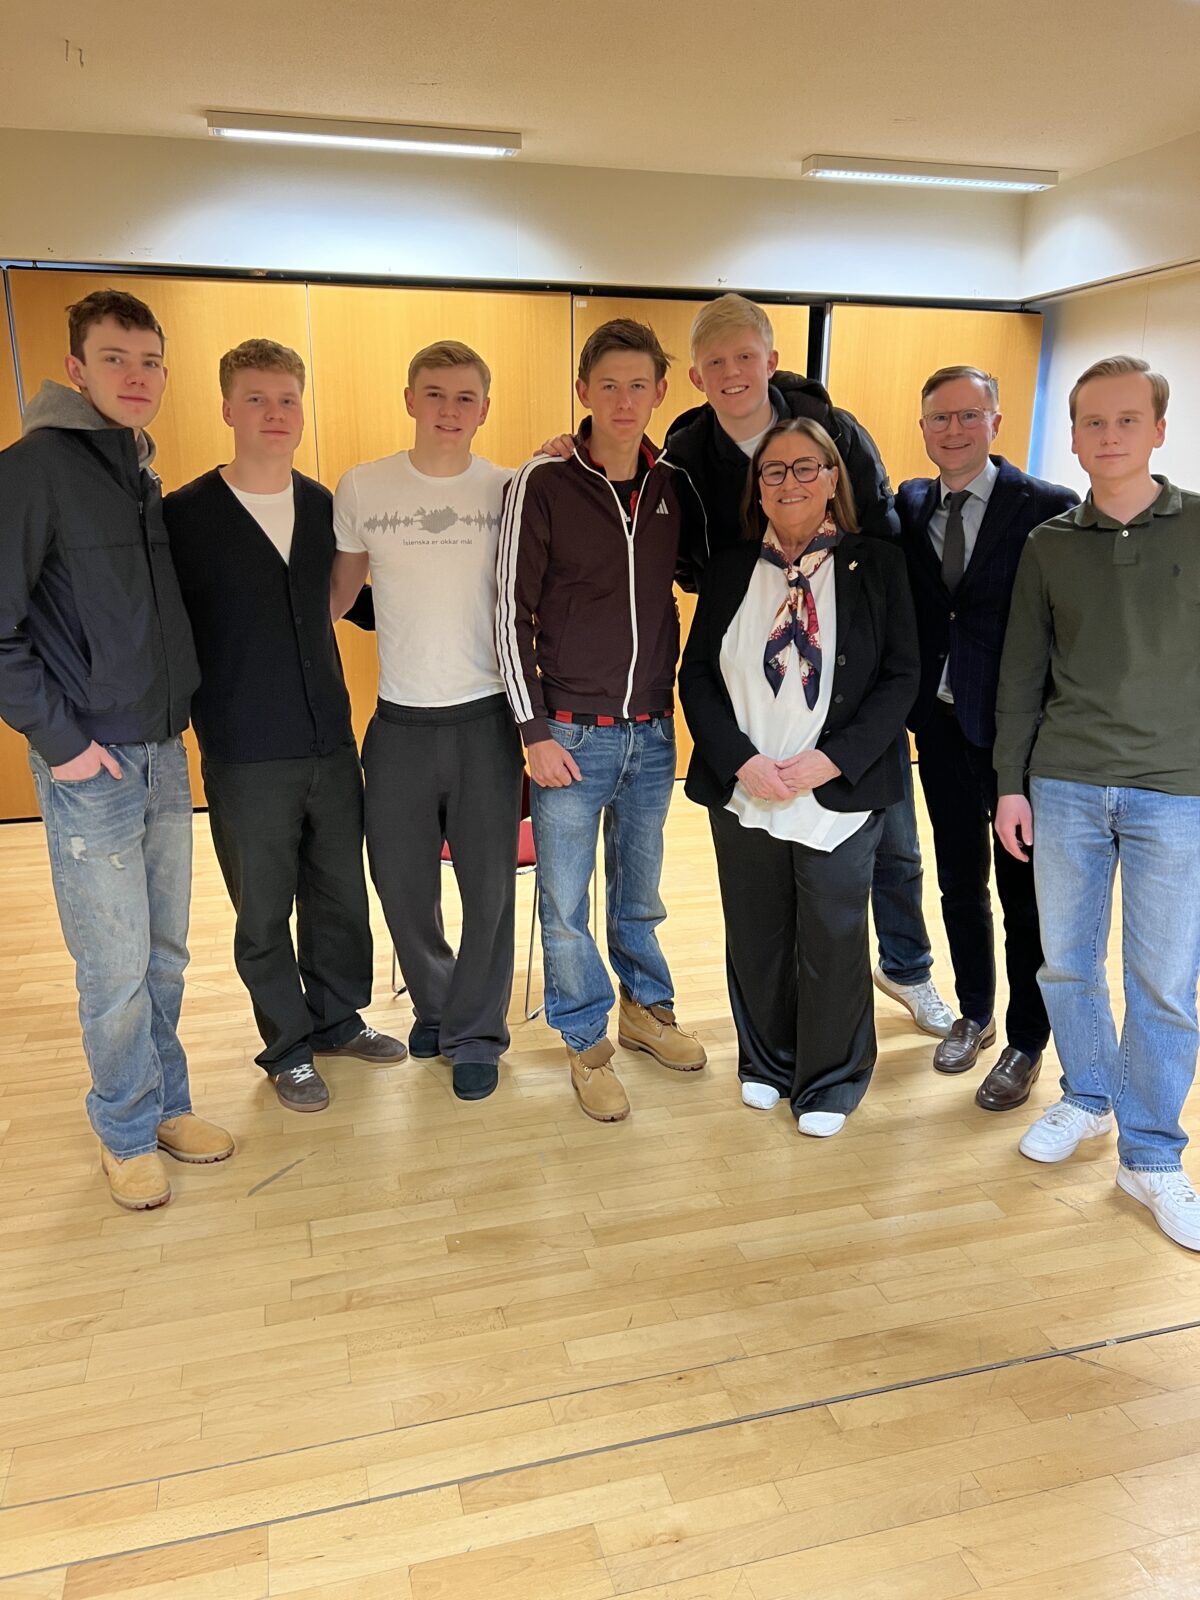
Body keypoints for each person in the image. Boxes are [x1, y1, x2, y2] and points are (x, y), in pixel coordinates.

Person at [0, 288, 232, 1210]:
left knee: (165, 954)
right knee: (115, 966)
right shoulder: (34, 470)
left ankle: (166, 1104)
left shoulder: (136, 471)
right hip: (90, 763)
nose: (136, 378)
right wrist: (61, 744)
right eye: (114, 359)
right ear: (76, 369)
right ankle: (126, 1130)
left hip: (161, 749)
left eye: (149, 362)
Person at [665, 295, 951, 1039]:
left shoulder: (834, 428)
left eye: (745, 356)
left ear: (771, 359)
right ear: (696, 376)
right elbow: (685, 551)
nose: (732, 372)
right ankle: (780, 1019)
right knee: (770, 869)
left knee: (890, 841)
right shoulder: (687, 450)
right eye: (716, 362)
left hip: (849, 643)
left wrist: (856, 606)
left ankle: (909, 968)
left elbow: (881, 528)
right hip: (756, 634)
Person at [164, 339, 404, 1114]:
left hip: (329, 738)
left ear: (303, 410)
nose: (275, 413)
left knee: (339, 895)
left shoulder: (325, 507)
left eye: (288, 399)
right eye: (257, 399)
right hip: (245, 750)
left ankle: (338, 1020)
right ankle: (288, 1047)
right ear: (227, 409)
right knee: (264, 910)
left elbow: (351, 603)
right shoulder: (184, 517)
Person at [995, 355, 1200, 1251]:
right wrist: (1010, 784)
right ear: (1073, 436)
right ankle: (1087, 1098)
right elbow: (1021, 675)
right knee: (1067, 964)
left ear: (1158, 429)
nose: (1108, 436)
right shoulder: (1050, 544)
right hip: (1067, 783)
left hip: (1177, 790)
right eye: (1092, 422)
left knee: (1165, 983)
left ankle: (1150, 1155)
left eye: (1126, 420)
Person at [679, 418, 918, 1136]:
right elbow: (697, 677)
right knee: (757, 934)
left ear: (832, 477)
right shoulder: (729, 569)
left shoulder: (877, 565)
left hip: (836, 789)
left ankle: (831, 1079)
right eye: (774, 470)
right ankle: (766, 1062)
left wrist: (832, 759)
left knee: (833, 937)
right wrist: (742, 760)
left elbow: (901, 677)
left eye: (806, 467)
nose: (790, 482)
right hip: (747, 788)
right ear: (758, 487)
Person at [497, 317, 707, 1123]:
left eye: (638, 386)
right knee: (565, 904)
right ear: (584, 391)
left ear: (660, 392)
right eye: (608, 385)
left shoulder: (673, 487)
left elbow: (701, 579)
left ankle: (646, 1011)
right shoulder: (544, 482)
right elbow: (509, 613)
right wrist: (533, 731)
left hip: (652, 732)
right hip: (569, 736)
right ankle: (585, 1041)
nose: (624, 401)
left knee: (640, 894)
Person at [331, 341, 522, 1102]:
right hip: (399, 722)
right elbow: (337, 598)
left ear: (485, 409)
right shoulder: (363, 485)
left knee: (489, 890)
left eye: (465, 397)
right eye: (435, 394)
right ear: (409, 399)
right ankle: (438, 1004)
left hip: (486, 719)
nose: (449, 409)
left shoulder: (510, 489)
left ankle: (476, 1034)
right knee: (401, 884)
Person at [897, 366, 1077, 1108]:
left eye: (969, 415)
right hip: (939, 729)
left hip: (1017, 738)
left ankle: (1028, 1042)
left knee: (1023, 894)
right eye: (940, 418)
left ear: (996, 422)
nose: (954, 430)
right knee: (958, 879)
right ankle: (975, 1012)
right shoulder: (909, 503)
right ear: (923, 428)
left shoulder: (1049, 508)